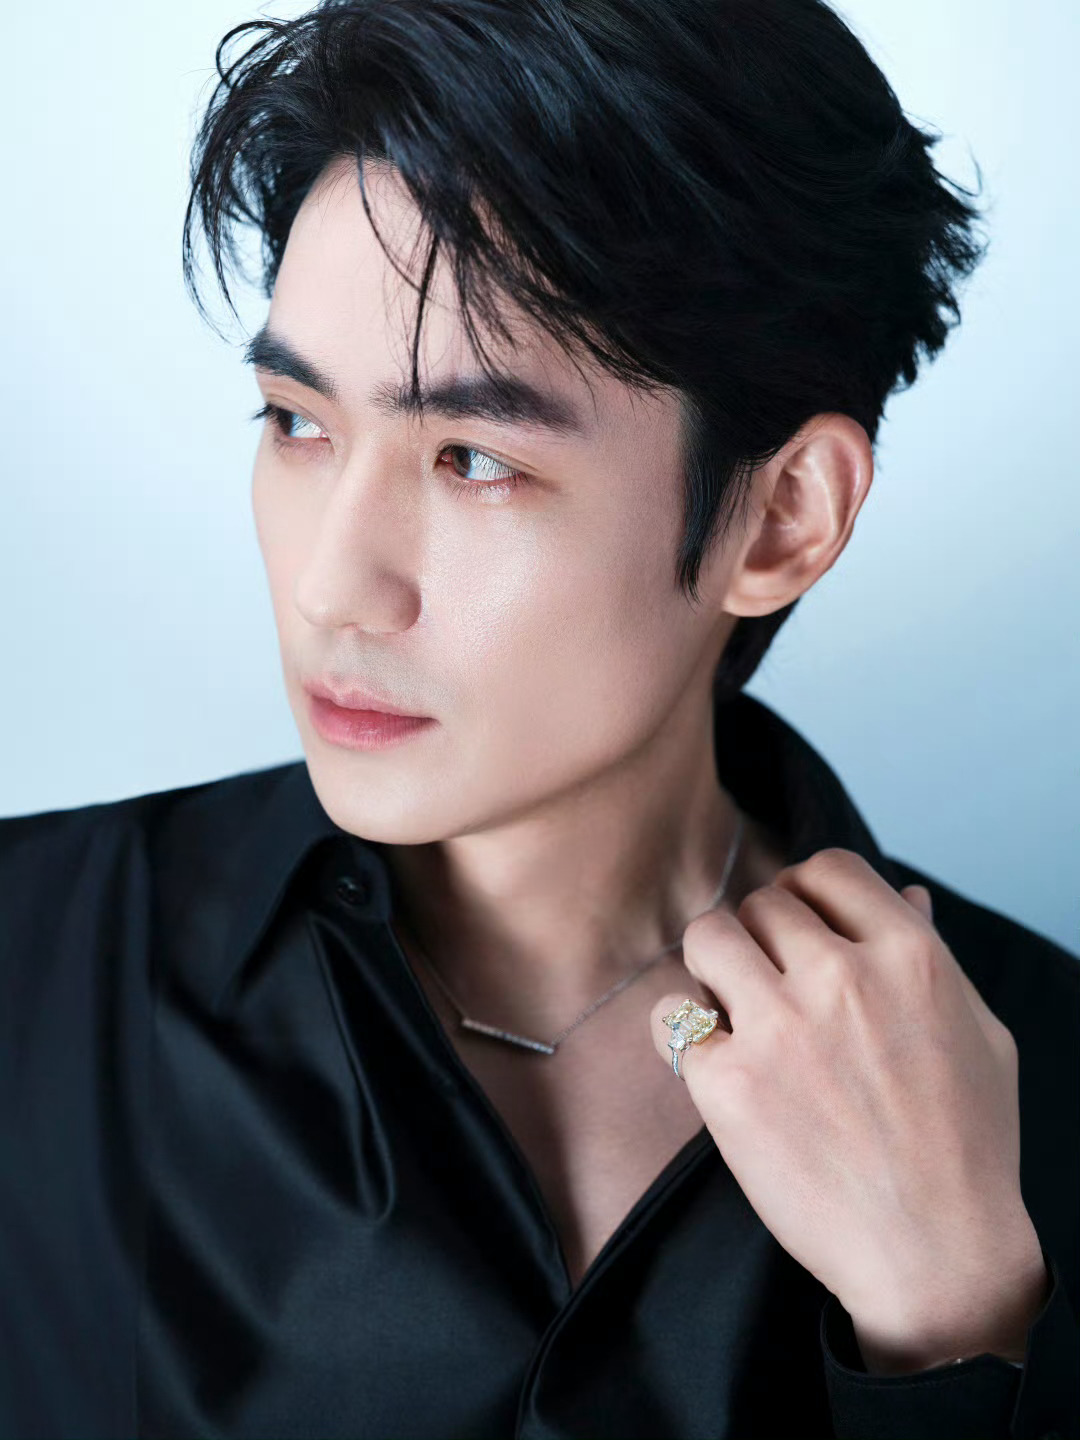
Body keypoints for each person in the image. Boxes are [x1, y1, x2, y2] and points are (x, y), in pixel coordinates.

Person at [1, 0, 1077, 1435]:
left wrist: (958, 1324)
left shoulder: (1048, 1079)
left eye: (474, 460)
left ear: (782, 519)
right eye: (298, 423)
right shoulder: (33, 965)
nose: (335, 588)